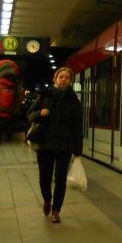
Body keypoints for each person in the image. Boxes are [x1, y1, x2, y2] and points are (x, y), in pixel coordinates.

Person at [27, 67, 83, 223]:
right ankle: (47, 199)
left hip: (64, 145)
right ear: (55, 78)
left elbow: (78, 126)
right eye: (61, 77)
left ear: (70, 81)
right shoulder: (45, 95)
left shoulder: (74, 101)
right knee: (44, 178)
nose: (63, 79)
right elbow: (30, 114)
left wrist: (78, 149)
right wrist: (40, 113)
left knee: (60, 178)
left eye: (67, 77)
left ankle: (56, 210)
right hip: (44, 144)